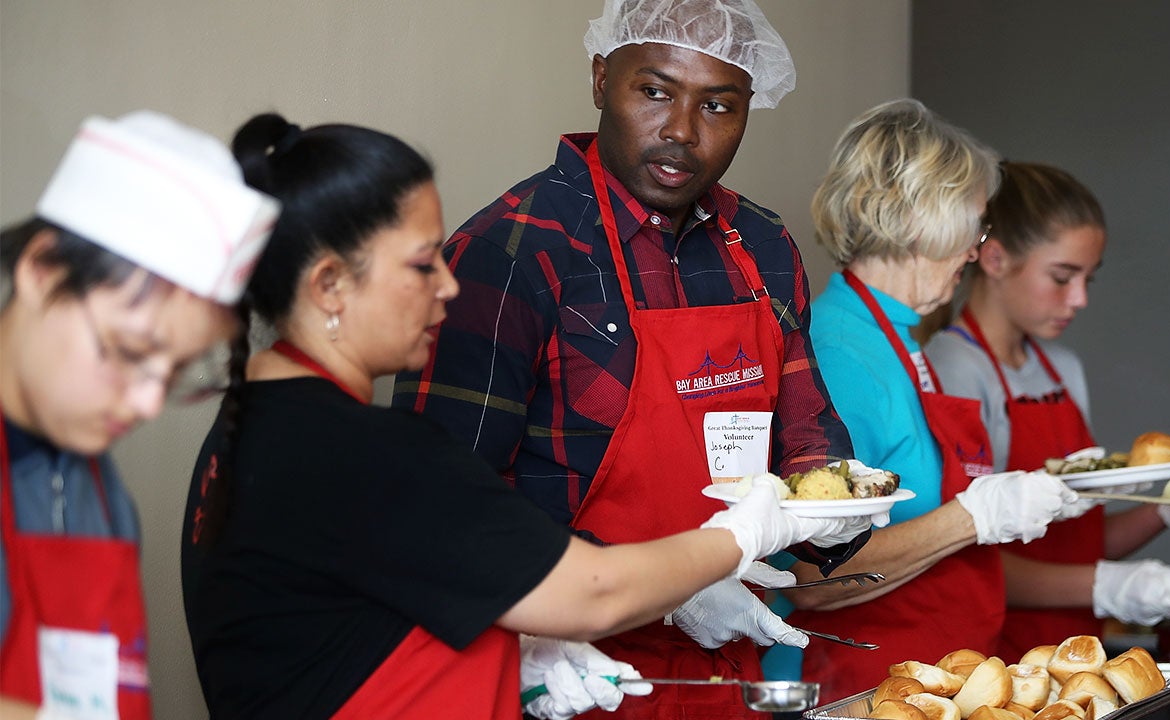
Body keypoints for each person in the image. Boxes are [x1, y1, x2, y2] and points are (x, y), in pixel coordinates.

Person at [179, 112, 861, 720]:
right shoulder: (362, 449)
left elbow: (358, 623)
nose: (448, 283)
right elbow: (592, 594)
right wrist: (745, 535)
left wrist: (522, 654)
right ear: (329, 284)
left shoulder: (251, 429)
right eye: (422, 266)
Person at [389, 1, 882, 716]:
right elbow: (445, 511)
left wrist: (830, 511)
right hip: (568, 676)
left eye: (718, 105)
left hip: (726, 672)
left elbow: (804, 431)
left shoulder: (764, 247)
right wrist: (661, 591)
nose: (682, 131)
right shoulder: (513, 252)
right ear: (599, 80)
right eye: (654, 92)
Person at [766, 99, 1082, 703]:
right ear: (919, 222)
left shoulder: (899, 336)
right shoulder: (840, 351)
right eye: (975, 227)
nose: (975, 251)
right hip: (859, 686)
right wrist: (975, 517)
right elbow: (810, 577)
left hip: (924, 679)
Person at [924, 160, 1170, 659]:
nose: (1080, 299)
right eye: (1063, 276)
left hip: (1075, 653)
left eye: (1089, 278)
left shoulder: (1061, 367)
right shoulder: (953, 368)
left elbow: (1080, 543)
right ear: (995, 258)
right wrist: (1105, 587)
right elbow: (960, 561)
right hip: (997, 659)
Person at [0, 111, 279, 720]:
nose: (150, 404)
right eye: (129, 353)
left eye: (175, 372)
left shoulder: (100, 495)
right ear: (41, 272)